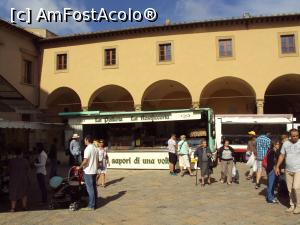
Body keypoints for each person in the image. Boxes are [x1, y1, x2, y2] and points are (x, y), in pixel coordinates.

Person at [275, 129, 300, 214]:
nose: (295, 137)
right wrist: (277, 166)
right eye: (293, 136)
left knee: (296, 187)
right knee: (290, 189)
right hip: (288, 170)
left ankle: (298, 206)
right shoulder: (285, 144)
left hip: (298, 169)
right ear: (290, 136)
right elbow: (282, 155)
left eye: (297, 135)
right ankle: (292, 205)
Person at [78, 135, 99, 210]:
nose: (84, 141)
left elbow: (85, 160)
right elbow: (97, 161)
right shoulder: (96, 148)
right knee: (94, 188)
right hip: (94, 171)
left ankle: (91, 206)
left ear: (87, 140)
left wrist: (79, 167)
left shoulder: (87, 149)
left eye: (85, 140)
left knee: (90, 189)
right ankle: (95, 203)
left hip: (88, 171)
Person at [9, 148, 30, 212]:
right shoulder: (25, 161)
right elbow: (28, 170)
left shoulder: (12, 161)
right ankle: (24, 206)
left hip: (14, 180)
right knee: (24, 193)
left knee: (13, 193)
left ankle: (13, 208)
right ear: (21, 154)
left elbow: (8, 170)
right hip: (23, 179)